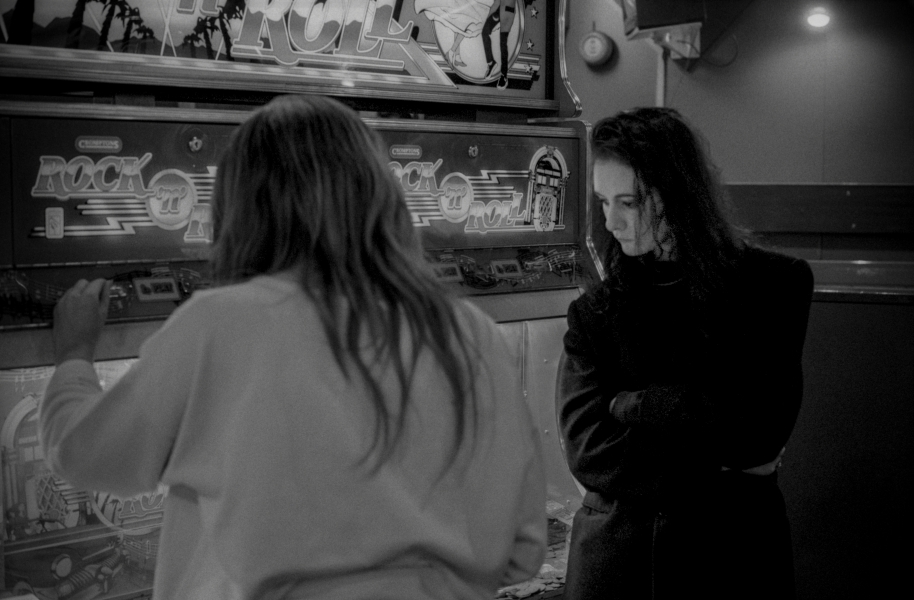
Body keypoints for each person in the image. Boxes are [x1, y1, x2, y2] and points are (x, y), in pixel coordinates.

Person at [40, 95, 546, 600]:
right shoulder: (470, 329)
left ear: (242, 206)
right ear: (380, 192)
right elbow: (523, 550)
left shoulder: (222, 322)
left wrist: (73, 358)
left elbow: (87, 456)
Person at [557, 107, 813, 600]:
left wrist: (635, 405)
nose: (611, 222)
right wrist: (722, 466)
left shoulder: (774, 285)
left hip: (730, 561)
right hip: (617, 566)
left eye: (628, 202)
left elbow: (758, 435)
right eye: (602, 201)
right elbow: (588, 450)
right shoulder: (595, 311)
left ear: (675, 195)